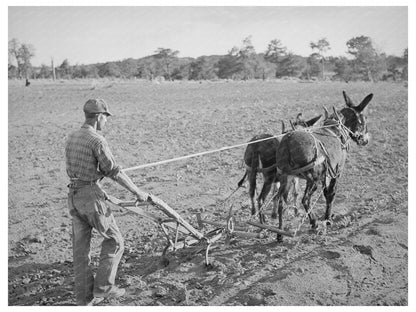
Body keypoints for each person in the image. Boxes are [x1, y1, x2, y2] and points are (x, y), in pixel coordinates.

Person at [65, 98, 149, 306]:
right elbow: (113, 171)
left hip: (74, 196)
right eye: (105, 117)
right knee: (115, 240)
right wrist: (137, 191)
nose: (106, 121)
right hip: (91, 196)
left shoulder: (72, 137)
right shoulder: (97, 140)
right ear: (98, 117)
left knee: (81, 251)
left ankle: (84, 299)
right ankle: (104, 288)